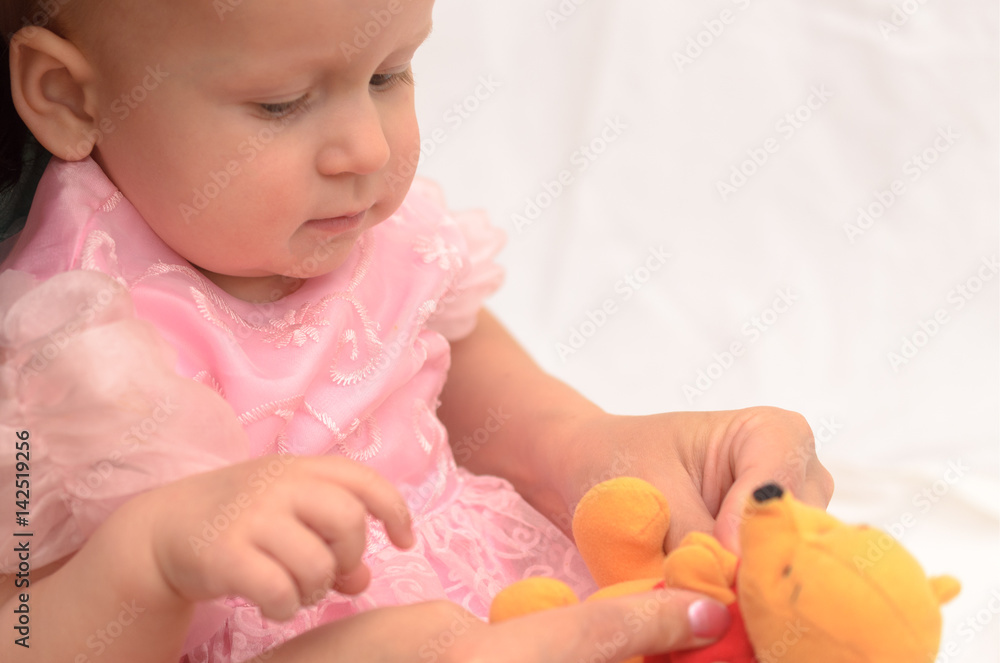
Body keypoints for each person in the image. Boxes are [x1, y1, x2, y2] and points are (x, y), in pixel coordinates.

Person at [0, 0, 833, 661]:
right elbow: (25, 626)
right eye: (281, 102)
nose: (364, 148)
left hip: (500, 594)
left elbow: (490, 399)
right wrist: (147, 558)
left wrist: (591, 450)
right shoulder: (66, 356)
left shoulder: (363, 233)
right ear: (70, 96)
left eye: (389, 74)